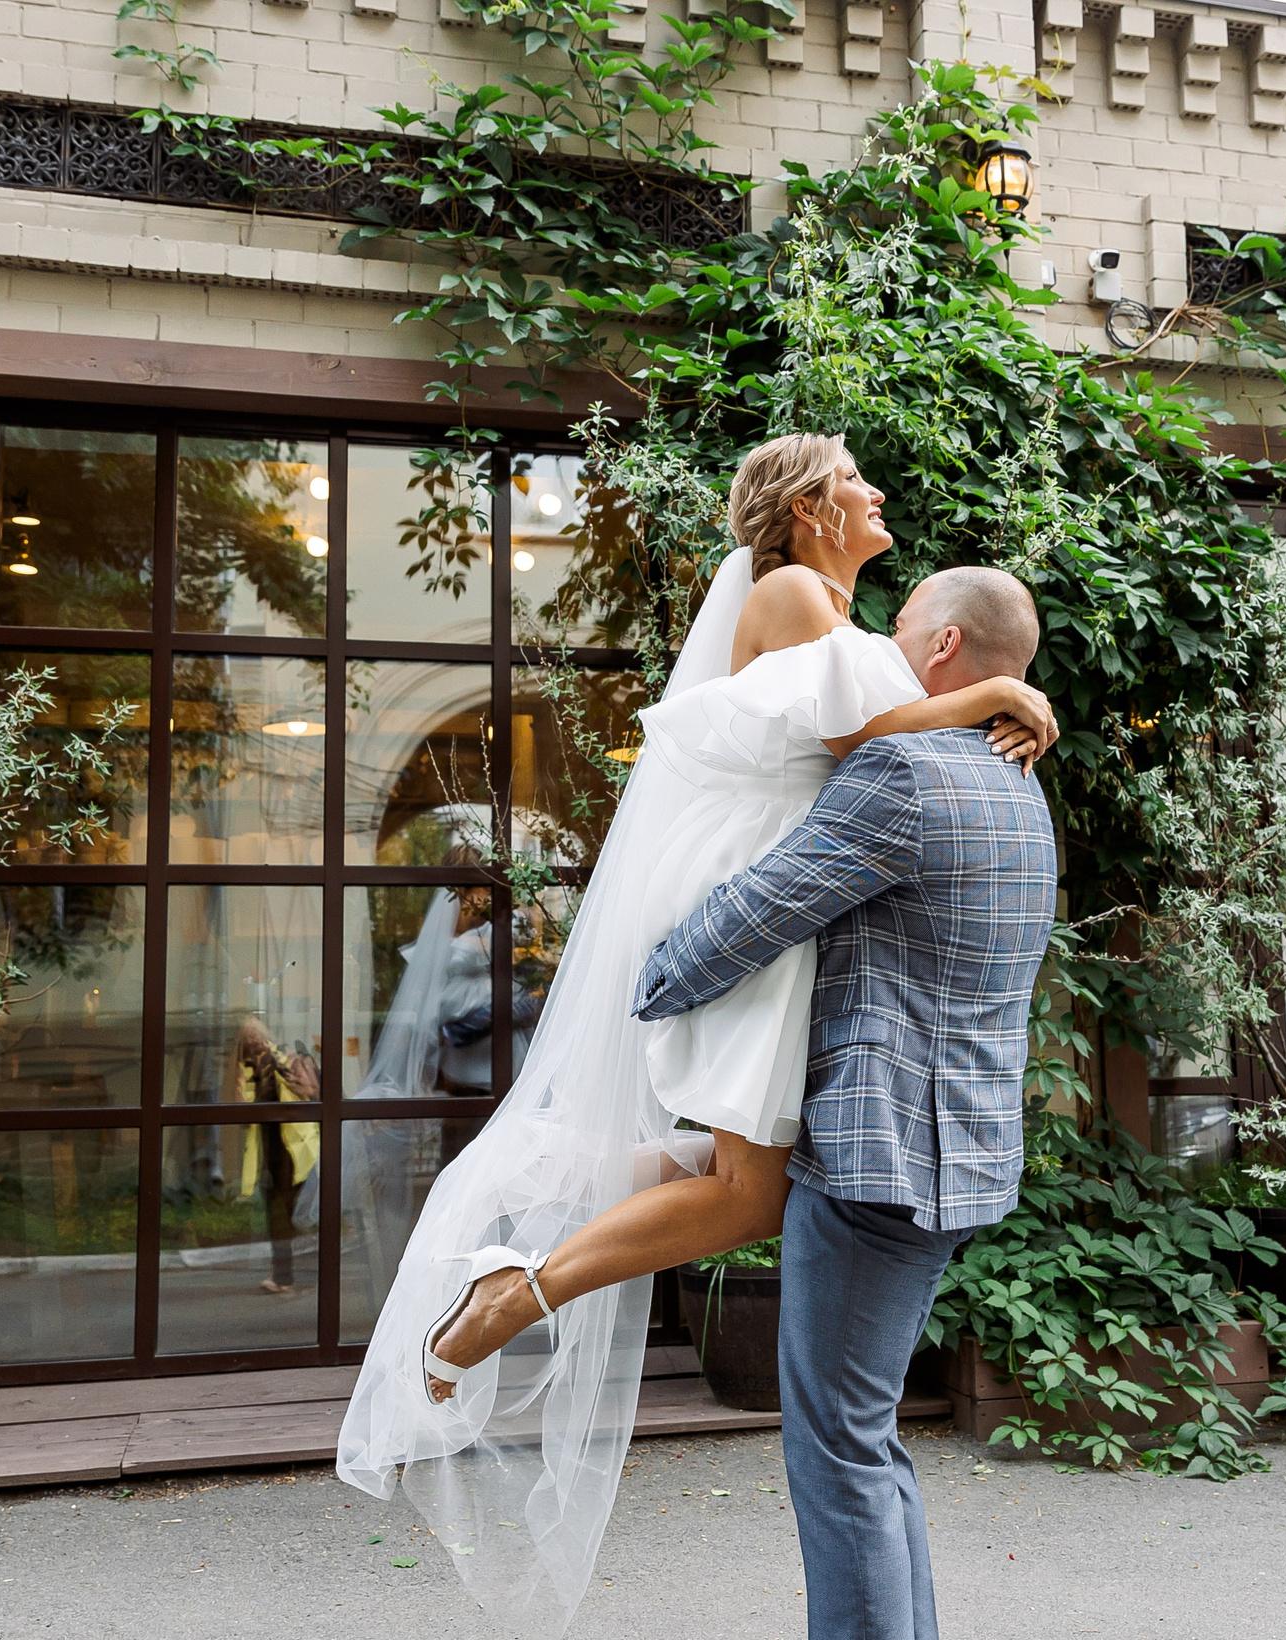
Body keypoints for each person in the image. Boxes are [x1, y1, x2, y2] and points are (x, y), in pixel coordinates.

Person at [331, 432, 1056, 1631]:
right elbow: (844, 739)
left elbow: (847, 773)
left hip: (835, 1052)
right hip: (910, 1085)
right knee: (766, 1236)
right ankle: (537, 1248)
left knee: (789, 1309)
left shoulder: (908, 734)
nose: (880, 497)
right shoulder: (957, 739)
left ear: (934, 645)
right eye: (860, 482)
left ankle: (533, 1251)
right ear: (813, 503)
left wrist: (642, 979)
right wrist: (991, 694)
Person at [632, 564, 1057, 1640]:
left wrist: (641, 978)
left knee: (838, 1444)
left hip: (879, 1156)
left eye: (900, 624)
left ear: (947, 649)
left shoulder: (904, 771)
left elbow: (762, 911)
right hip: (959, 1150)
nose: (879, 640)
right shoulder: (1017, 785)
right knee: (864, 1435)